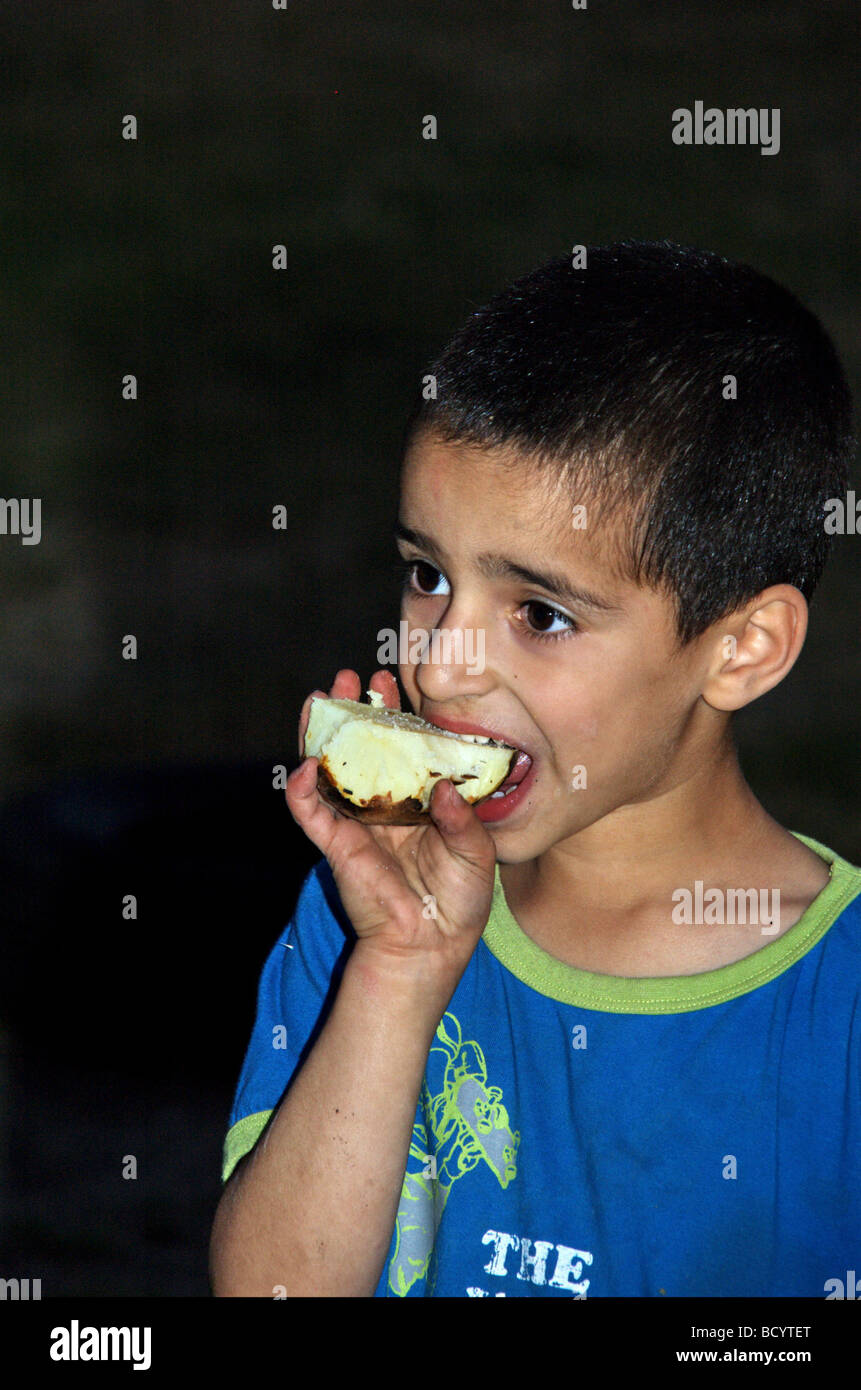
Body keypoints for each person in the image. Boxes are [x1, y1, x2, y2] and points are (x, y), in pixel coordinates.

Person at [209, 241, 860, 1297]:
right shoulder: (369, 910)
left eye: (541, 613)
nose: (439, 661)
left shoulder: (840, 1014)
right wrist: (400, 974)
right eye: (427, 575)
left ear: (743, 648)